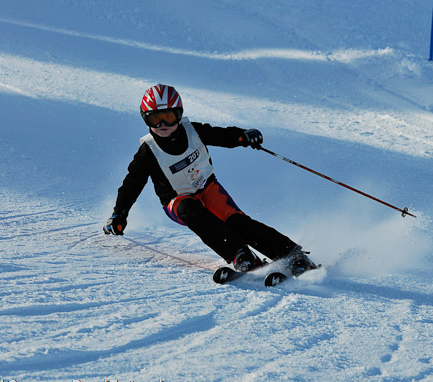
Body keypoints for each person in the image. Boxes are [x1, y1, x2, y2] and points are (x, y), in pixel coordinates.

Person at [103, 84, 316, 275]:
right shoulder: (148, 151)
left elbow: (221, 135)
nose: (161, 124)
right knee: (191, 210)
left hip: (208, 188)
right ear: (145, 119)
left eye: (167, 117)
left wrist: (243, 136)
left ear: (178, 114)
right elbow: (132, 184)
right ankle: (241, 256)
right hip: (176, 200)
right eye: (154, 119)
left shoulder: (193, 131)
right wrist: (119, 214)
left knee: (236, 221)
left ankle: (291, 255)